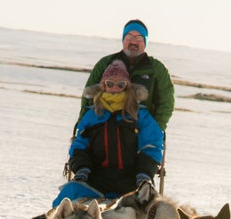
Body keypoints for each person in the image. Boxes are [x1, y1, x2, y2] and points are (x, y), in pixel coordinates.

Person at [54, 60, 164, 207]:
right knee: (68, 195)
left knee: (152, 207)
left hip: (131, 182)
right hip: (95, 180)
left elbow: (151, 146)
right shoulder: (92, 115)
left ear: (127, 87)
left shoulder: (140, 115)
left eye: (121, 84)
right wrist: (82, 170)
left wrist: (144, 175)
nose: (115, 88)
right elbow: (80, 146)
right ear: (103, 85)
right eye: (110, 83)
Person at [77, 19, 175, 131]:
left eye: (139, 38)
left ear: (145, 42)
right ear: (123, 40)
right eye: (129, 37)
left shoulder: (156, 69)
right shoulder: (105, 63)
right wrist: (82, 127)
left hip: (141, 134)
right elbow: (88, 97)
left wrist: (155, 131)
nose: (134, 42)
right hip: (104, 131)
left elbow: (166, 104)